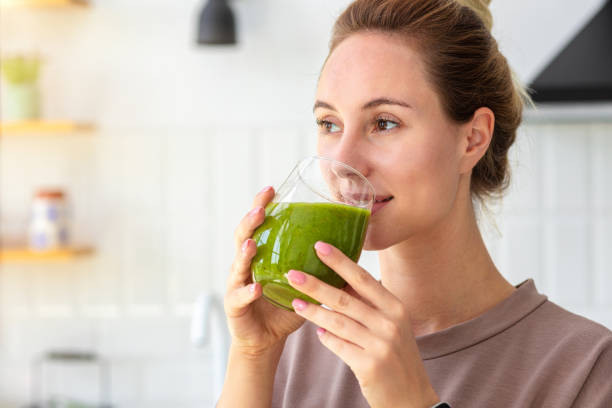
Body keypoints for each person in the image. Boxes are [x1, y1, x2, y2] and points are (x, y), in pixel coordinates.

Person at [217, 0, 612, 407]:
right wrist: (253, 356)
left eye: (385, 122)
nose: (344, 163)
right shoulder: (297, 337)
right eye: (329, 124)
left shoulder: (586, 370)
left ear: (472, 138)